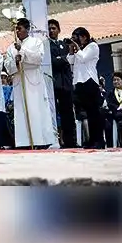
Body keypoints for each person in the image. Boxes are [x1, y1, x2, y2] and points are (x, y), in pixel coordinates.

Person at [5, 18, 58, 149]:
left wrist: (22, 52)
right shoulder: (11, 47)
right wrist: (15, 62)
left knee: (36, 109)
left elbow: (38, 58)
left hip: (33, 80)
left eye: (20, 29)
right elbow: (7, 65)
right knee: (21, 110)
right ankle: (23, 141)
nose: (17, 31)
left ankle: (40, 140)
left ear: (27, 29)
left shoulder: (36, 42)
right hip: (19, 79)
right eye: (16, 29)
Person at [67, 26, 104, 149]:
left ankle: (99, 140)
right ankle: (91, 139)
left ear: (84, 37)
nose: (75, 41)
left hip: (90, 81)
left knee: (95, 112)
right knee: (87, 113)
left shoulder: (93, 46)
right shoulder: (79, 49)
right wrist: (72, 50)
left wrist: (77, 48)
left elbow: (83, 58)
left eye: (76, 38)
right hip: (79, 82)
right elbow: (70, 61)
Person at [48, 19, 77, 148]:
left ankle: (70, 141)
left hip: (66, 84)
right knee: (53, 113)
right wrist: (64, 59)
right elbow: (54, 62)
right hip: (53, 84)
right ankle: (54, 140)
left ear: (59, 30)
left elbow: (71, 59)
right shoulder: (46, 45)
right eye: (49, 28)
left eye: (54, 28)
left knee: (68, 114)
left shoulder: (64, 45)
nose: (51, 31)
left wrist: (63, 59)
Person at [108, 71, 122, 148]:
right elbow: (110, 104)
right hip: (116, 114)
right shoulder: (110, 93)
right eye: (114, 80)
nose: (115, 82)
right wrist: (120, 108)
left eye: (118, 80)